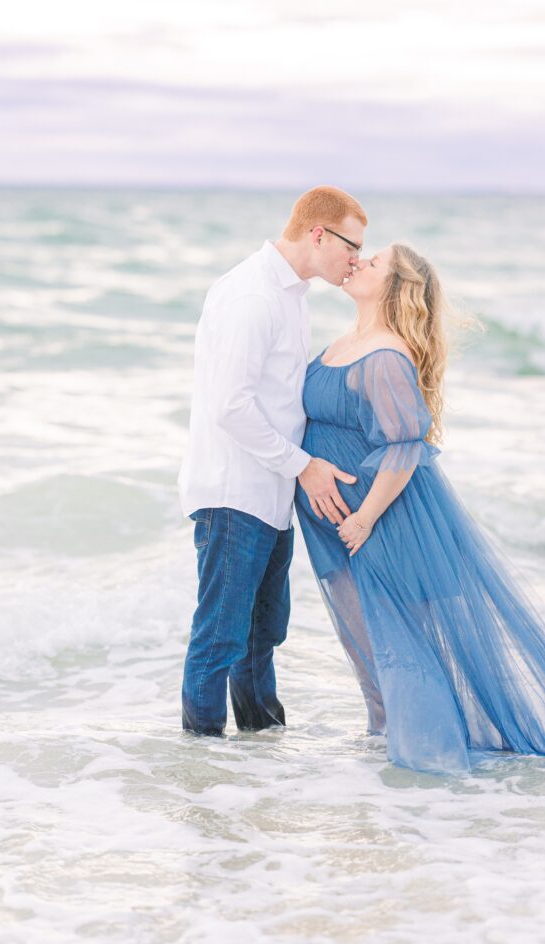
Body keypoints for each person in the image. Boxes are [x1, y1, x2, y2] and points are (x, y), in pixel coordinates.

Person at [295, 242, 545, 774]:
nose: (360, 261)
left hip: (382, 518)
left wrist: (365, 517)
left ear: (396, 286)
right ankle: (389, 755)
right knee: (365, 644)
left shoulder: (385, 354)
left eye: (375, 262)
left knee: (400, 643)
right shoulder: (345, 342)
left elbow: (404, 444)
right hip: (340, 521)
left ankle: (429, 774)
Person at [178, 186, 367, 735]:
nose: (355, 257)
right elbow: (229, 406)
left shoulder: (293, 296)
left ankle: (261, 761)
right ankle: (203, 770)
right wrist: (302, 464)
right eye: (352, 245)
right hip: (234, 492)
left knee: (262, 636)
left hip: (271, 494)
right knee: (220, 639)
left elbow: (281, 399)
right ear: (318, 234)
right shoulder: (250, 294)